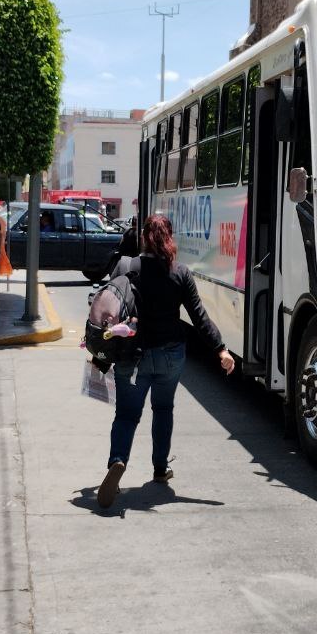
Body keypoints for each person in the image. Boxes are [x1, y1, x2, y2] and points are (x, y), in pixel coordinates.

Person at [97, 215, 236, 508]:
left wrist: (99, 351)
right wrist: (221, 349)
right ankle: (160, 468)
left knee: (126, 415)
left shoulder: (126, 267)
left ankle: (118, 460)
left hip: (132, 355)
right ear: (170, 237)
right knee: (163, 409)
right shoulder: (180, 273)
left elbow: (108, 308)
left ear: (144, 236)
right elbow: (199, 317)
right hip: (171, 355)